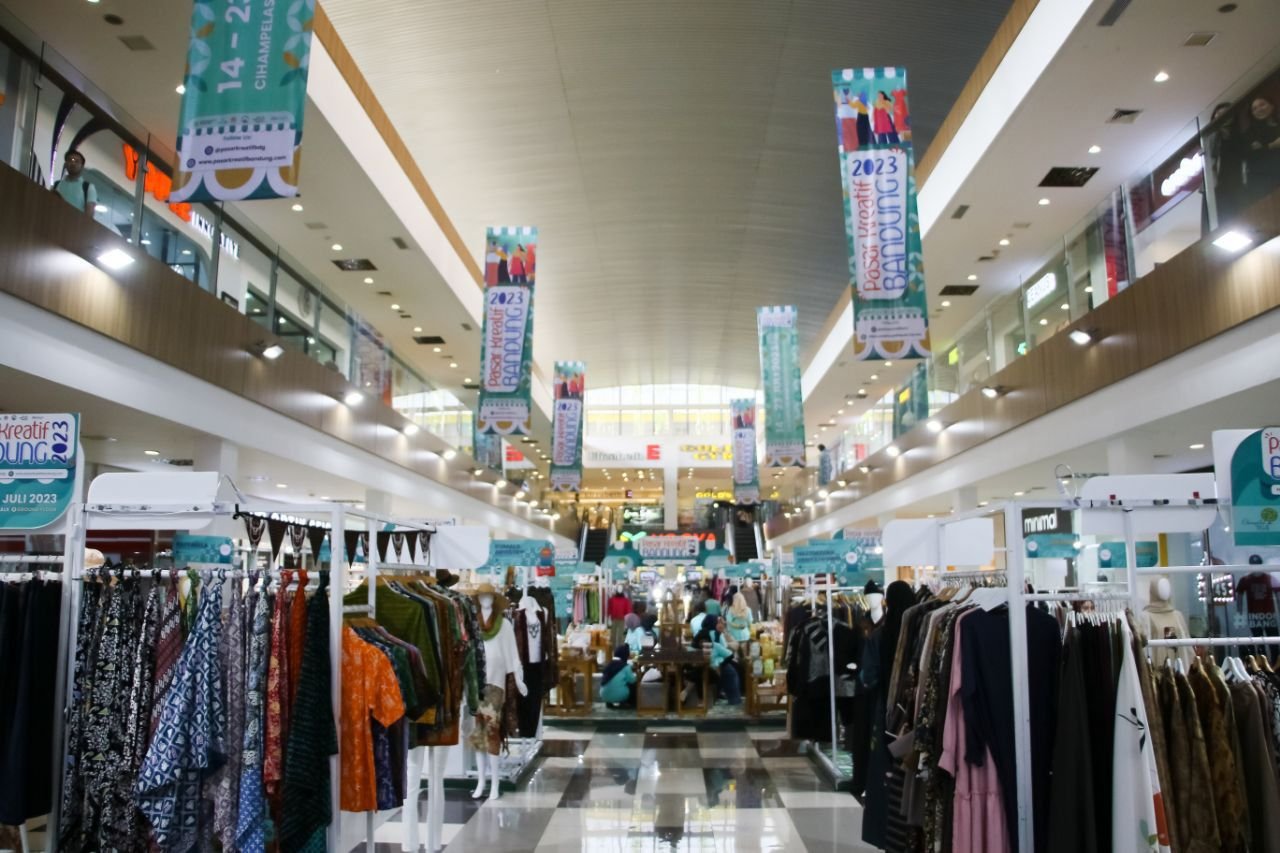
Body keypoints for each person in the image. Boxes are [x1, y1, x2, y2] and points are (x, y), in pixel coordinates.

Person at [859, 580, 917, 847]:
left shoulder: (879, 636)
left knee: (886, 774)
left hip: (887, 713)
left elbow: (867, 678)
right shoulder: (920, 632)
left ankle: (887, 834)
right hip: (916, 712)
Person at [1241, 95, 1280, 209]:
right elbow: (1251, 155)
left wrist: (1263, 147)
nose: (1259, 109)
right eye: (1254, 109)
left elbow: (1259, 149)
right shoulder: (1250, 133)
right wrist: (1272, 145)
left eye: (1262, 104)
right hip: (1266, 181)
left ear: (1271, 106)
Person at [694, 616, 741, 705]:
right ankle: (734, 699)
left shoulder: (721, 633)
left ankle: (730, 696)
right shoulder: (709, 634)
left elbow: (735, 645)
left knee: (736, 666)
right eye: (719, 622)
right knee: (730, 671)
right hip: (709, 663)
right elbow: (716, 651)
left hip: (717, 659)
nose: (722, 625)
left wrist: (726, 645)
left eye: (722, 623)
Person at [52, 149, 97, 215]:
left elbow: (89, 216)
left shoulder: (88, 187)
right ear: (65, 164)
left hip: (76, 221)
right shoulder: (56, 185)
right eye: (70, 160)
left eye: (77, 161)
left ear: (82, 166)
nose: (73, 163)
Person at [600, 644, 636, 709]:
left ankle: (609, 702)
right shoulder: (625, 666)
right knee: (632, 685)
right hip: (619, 695)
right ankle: (624, 702)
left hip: (603, 695)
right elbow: (632, 680)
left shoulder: (608, 665)